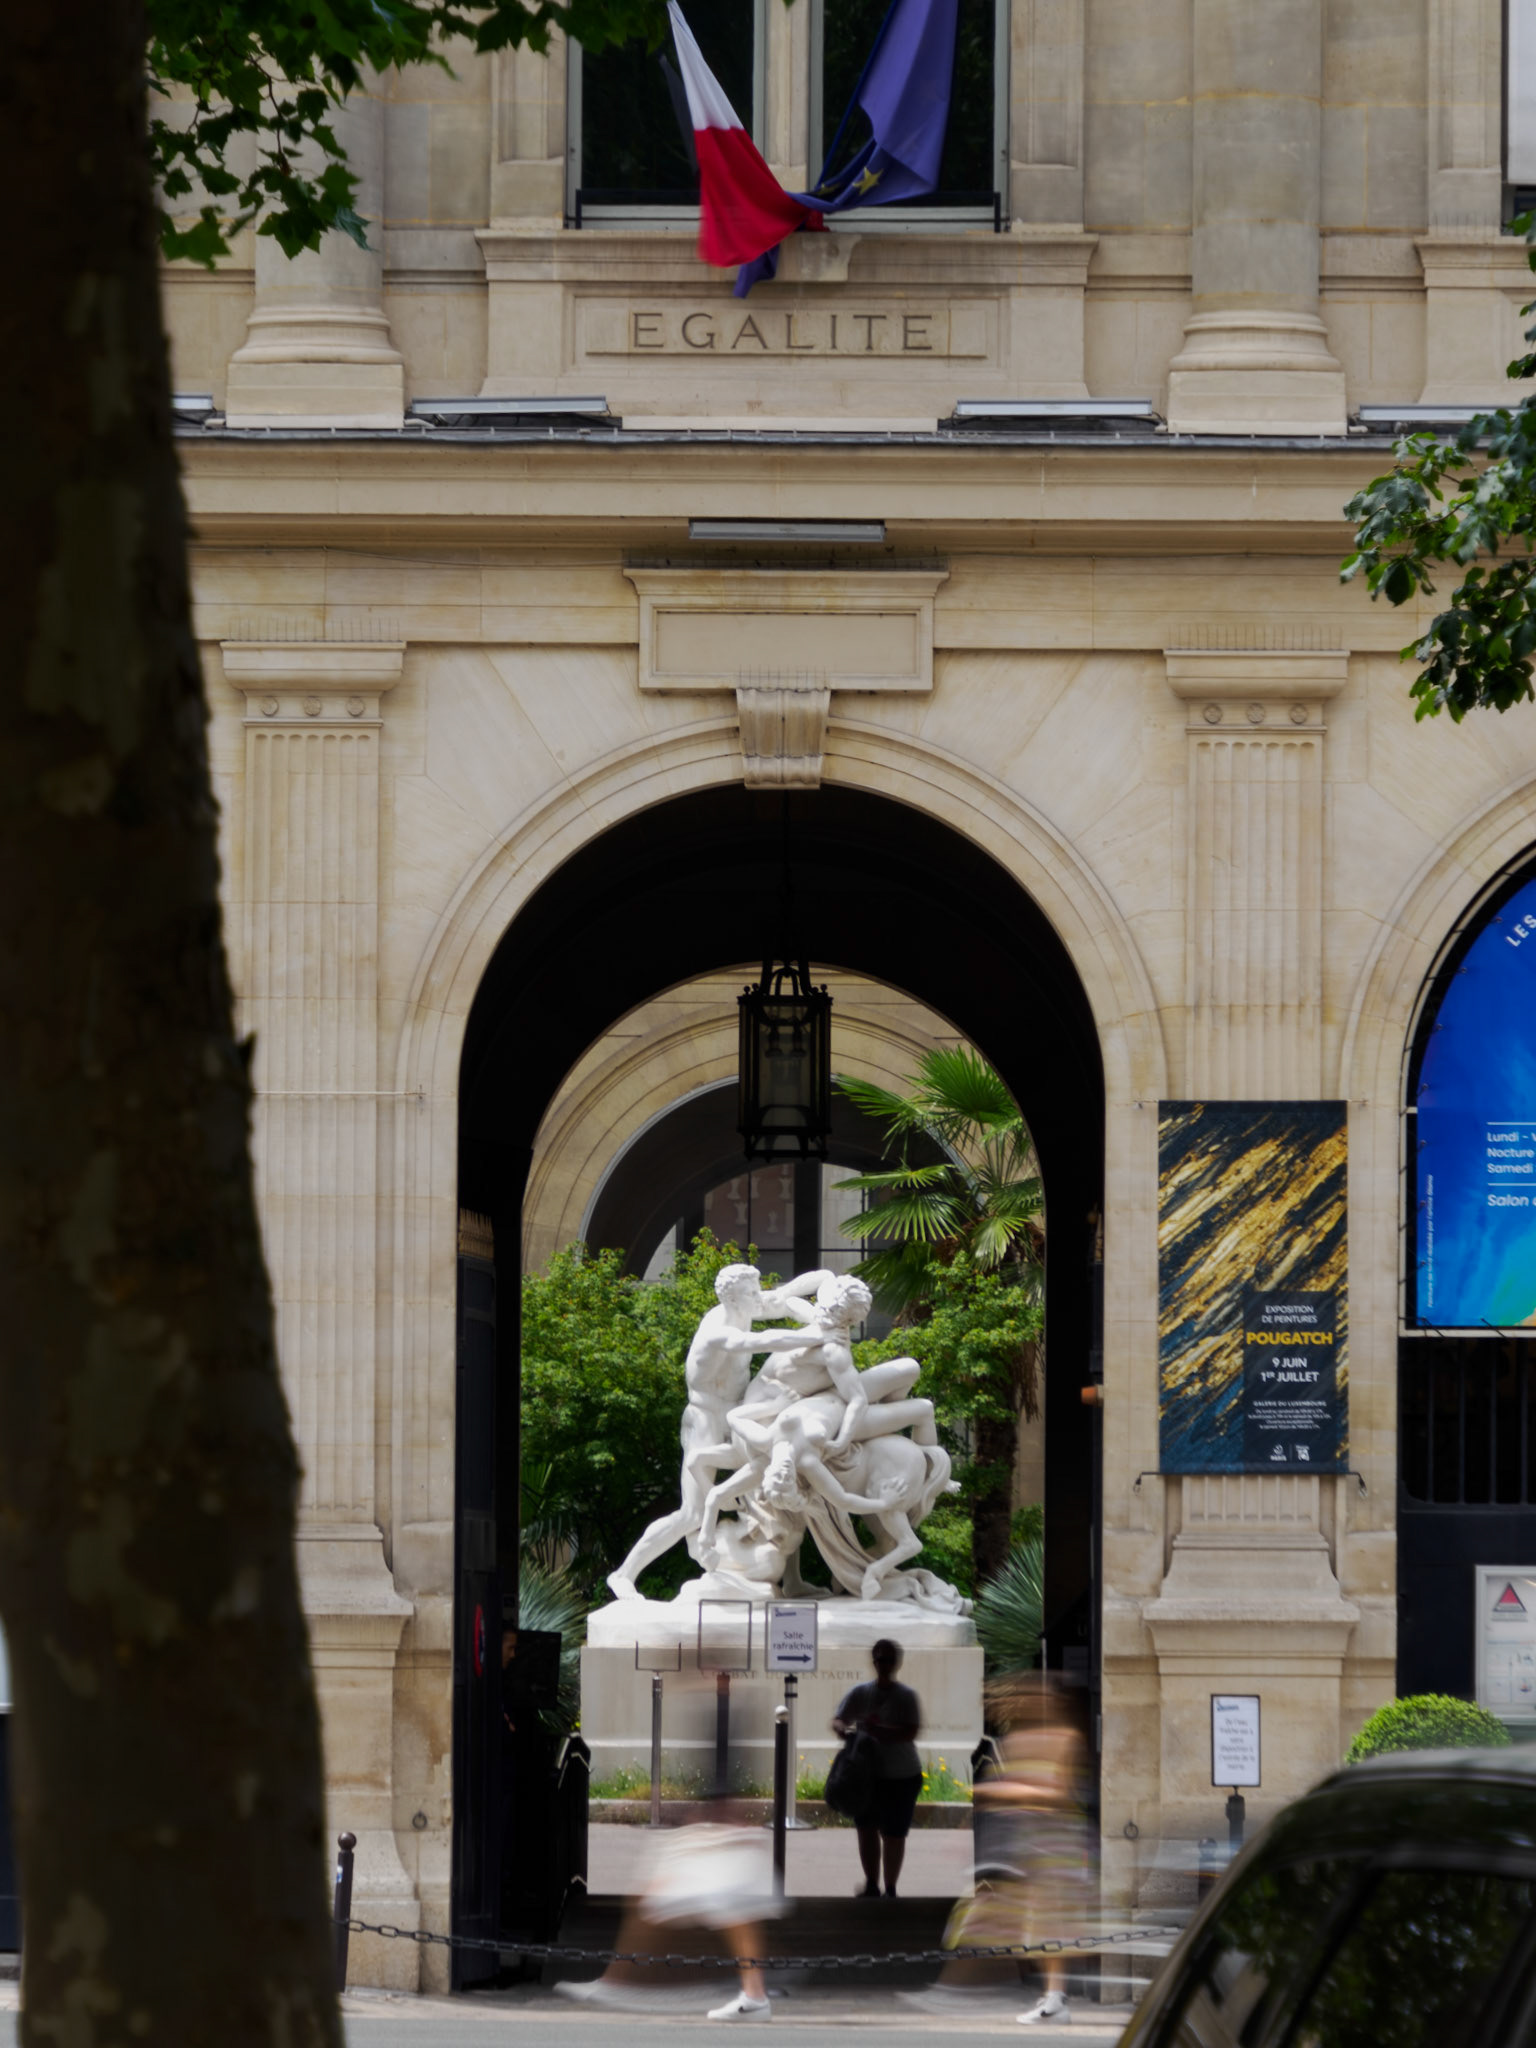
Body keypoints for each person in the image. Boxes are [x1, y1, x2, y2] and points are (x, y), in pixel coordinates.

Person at [606, 1262, 829, 1600]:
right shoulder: (719, 1330)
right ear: (733, 1298)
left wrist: (825, 1296)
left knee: (782, 1486)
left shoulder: (745, 1306)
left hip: (740, 1412)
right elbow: (766, 1340)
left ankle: (793, 1580)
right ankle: (624, 1575)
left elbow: (784, 1298)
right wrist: (817, 1334)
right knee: (692, 1513)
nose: (758, 1297)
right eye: (751, 1292)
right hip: (707, 1420)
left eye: (757, 1289)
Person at [831, 1638, 923, 1899]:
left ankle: (890, 1888)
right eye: (880, 1659)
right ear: (874, 1662)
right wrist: (844, 1731)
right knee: (867, 1830)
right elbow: (839, 1719)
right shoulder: (860, 1693)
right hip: (867, 1776)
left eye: (889, 1660)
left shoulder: (906, 1696)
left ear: (897, 1663)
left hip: (901, 1776)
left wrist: (876, 1731)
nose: (884, 1664)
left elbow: (910, 1731)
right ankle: (872, 1884)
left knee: (894, 1834)